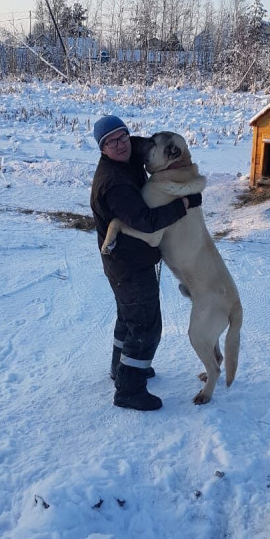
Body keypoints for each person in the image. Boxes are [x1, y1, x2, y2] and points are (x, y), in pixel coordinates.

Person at [90, 115, 202, 411]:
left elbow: (155, 147)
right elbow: (147, 221)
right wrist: (184, 204)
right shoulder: (113, 183)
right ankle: (129, 388)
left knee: (128, 317)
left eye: (123, 136)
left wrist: (182, 171)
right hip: (129, 262)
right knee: (145, 325)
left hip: (126, 258)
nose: (121, 144)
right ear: (102, 149)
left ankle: (122, 368)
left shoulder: (126, 154)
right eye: (111, 142)